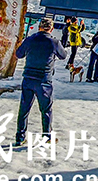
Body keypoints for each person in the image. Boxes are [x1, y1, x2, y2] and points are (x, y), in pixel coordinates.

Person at [14, 18, 67, 146]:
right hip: (44, 80)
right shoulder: (54, 42)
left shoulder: (30, 40)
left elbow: (19, 54)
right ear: (51, 28)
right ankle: (47, 136)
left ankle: (20, 138)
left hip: (28, 78)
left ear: (39, 27)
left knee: (24, 108)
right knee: (46, 109)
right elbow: (63, 55)